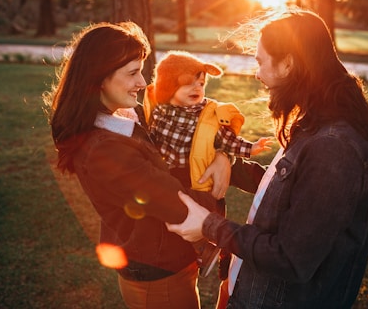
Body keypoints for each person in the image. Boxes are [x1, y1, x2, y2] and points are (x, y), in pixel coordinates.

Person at [166, 7, 368, 309]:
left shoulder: (334, 147)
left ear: (288, 64)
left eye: (260, 62)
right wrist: (228, 164)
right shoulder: (320, 123)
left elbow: (290, 258)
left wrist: (209, 226)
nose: (257, 74)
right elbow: (294, 194)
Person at [44, 21, 233, 309]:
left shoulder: (124, 118)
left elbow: (186, 146)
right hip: (157, 274)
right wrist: (219, 193)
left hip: (164, 259)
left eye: (141, 71)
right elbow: (177, 205)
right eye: (132, 73)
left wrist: (223, 156)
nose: (143, 83)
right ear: (98, 79)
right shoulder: (103, 149)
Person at [143, 50, 272, 277]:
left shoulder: (207, 113)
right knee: (176, 215)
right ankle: (207, 250)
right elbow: (149, 139)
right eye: (188, 84)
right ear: (168, 88)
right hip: (173, 174)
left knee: (237, 176)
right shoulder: (158, 112)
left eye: (201, 84)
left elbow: (227, 139)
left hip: (201, 168)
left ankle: (270, 184)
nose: (197, 89)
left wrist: (250, 148)